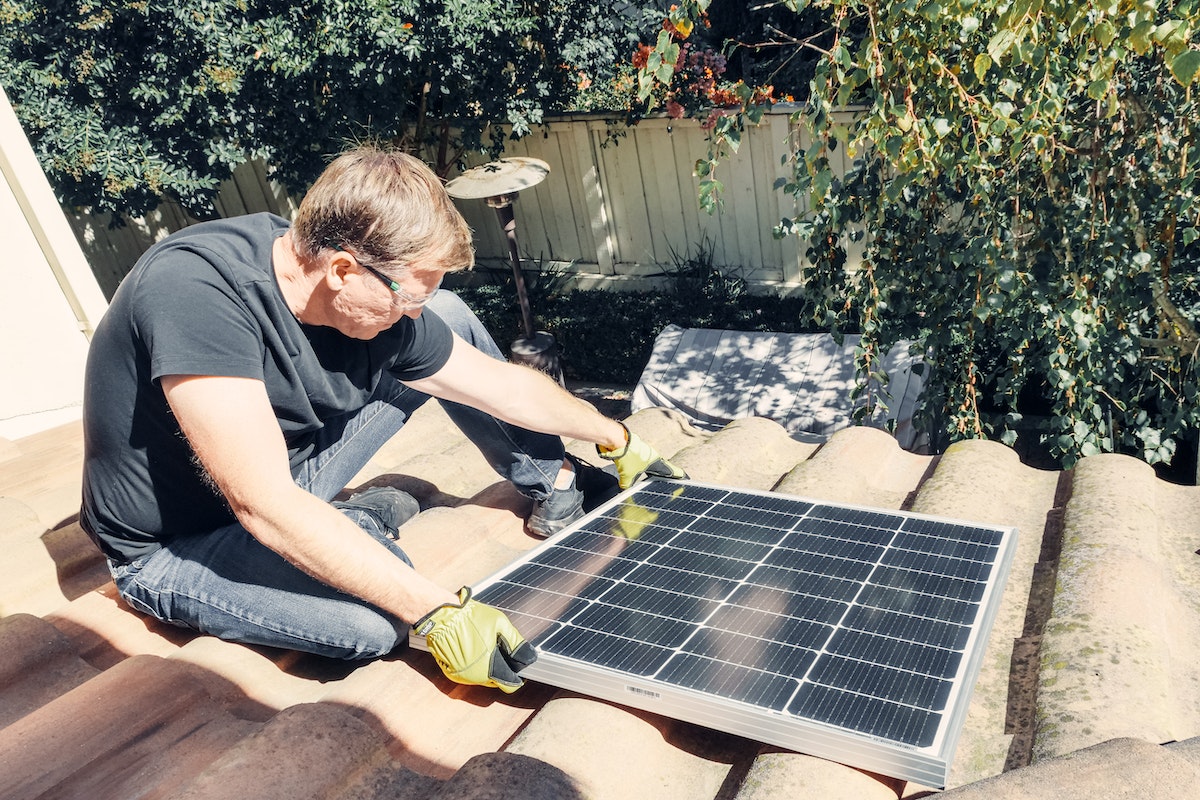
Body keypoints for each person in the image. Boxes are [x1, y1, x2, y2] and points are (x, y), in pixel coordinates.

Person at [80, 146, 685, 693]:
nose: (411, 313)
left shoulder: (379, 305)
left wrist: (616, 435)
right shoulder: (198, 293)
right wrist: (438, 609)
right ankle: (349, 526)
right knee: (376, 622)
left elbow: (499, 385)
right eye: (408, 294)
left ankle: (554, 487)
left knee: (449, 317)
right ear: (343, 269)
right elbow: (261, 502)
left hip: (289, 471)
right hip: (177, 541)